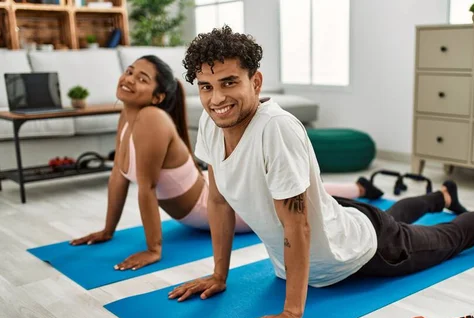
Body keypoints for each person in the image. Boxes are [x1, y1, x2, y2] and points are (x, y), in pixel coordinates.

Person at [167, 25, 474, 318]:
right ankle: (441, 196)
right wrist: (219, 275)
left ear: (256, 82)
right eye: (206, 87)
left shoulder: (274, 129)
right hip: (342, 218)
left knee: (447, 237)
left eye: (229, 82)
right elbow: (216, 201)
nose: (217, 98)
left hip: (360, 252)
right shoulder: (214, 127)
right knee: (388, 216)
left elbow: (298, 226)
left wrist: (292, 312)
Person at [69, 54, 385, 270]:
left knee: (299, 194)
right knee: (285, 189)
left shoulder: (151, 119)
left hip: (210, 207)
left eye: (141, 79)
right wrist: (107, 231)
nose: (129, 80)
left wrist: (154, 250)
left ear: (157, 98)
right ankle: (358, 188)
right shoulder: (128, 115)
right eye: (129, 72)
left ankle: (358, 189)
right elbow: (119, 176)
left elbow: (146, 188)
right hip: (205, 196)